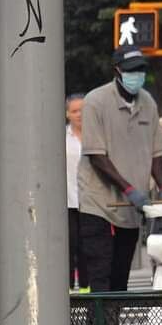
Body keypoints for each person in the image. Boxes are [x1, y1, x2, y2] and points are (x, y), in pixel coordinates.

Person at [78, 46, 162, 325]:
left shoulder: (148, 103)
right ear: (117, 71)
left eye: (141, 70)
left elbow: (156, 155)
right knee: (101, 276)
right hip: (99, 204)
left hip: (132, 209)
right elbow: (96, 156)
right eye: (131, 70)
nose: (137, 76)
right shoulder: (96, 101)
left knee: (119, 278)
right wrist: (129, 188)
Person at [65, 93, 87, 289]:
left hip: (92, 201)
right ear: (67, 114)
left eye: (83, 110)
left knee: (87, 247)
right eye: (74, 111)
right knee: (70, 246)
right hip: (68, 201)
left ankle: (87, 288)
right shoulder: (61, 138)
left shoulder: (97, 134)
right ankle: (69, 287)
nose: (79, 114)